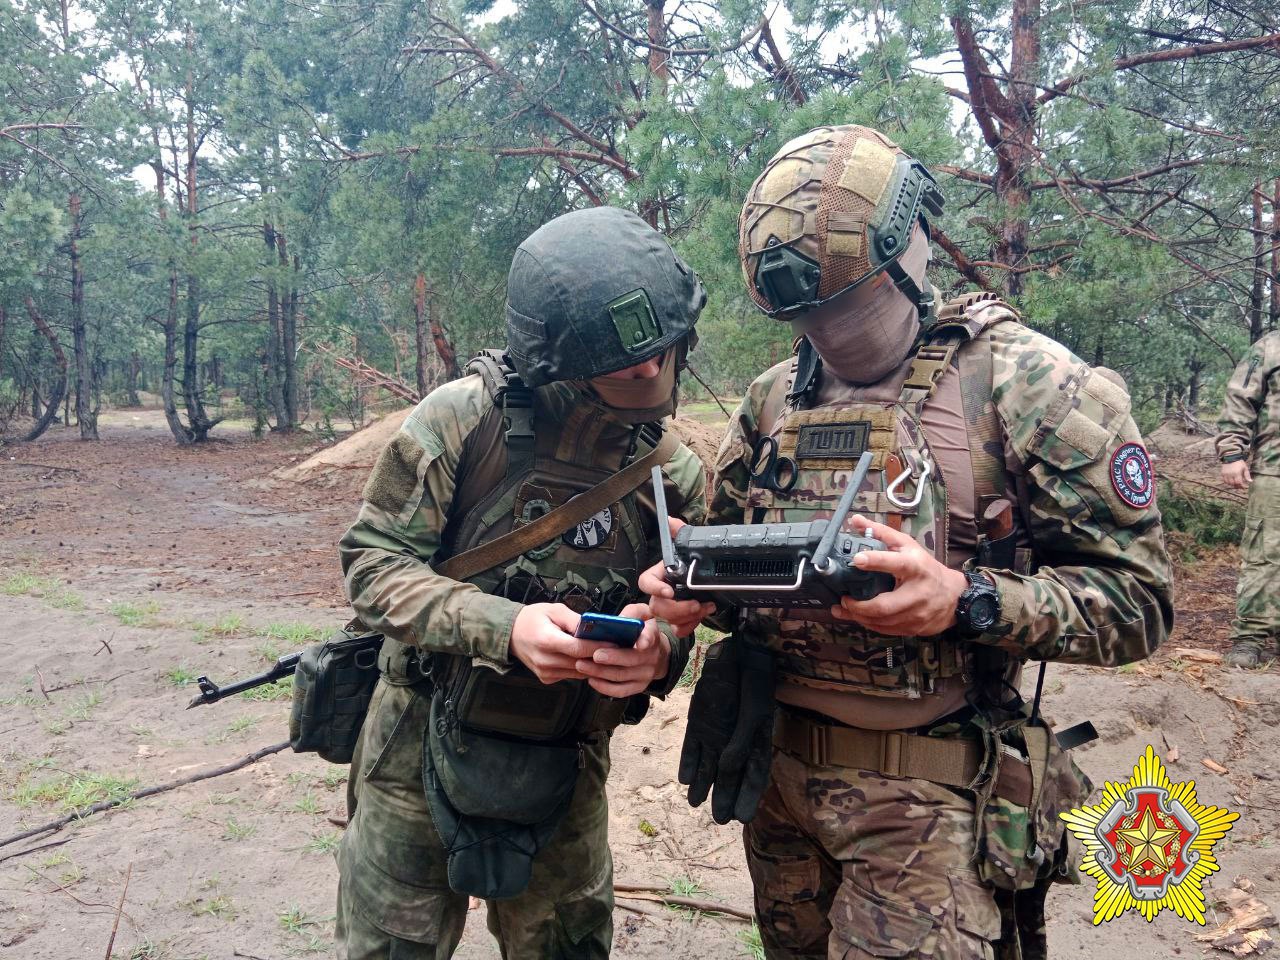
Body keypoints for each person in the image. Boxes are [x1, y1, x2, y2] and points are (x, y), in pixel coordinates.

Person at [642, 124, 1174, 960]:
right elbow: (734, 581)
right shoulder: (773, 401)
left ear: (913, 244)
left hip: (930, 807)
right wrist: (695, 587)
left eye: (846, 308)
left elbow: (1140, 604)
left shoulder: (1030, 384)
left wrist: (969, 600)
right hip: (777, 791)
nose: (829, 335)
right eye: (803, 317)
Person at [336, 206, 708, 959]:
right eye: (617, 355)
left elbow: (690, 608)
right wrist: (504, 628)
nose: (645, 369)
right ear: (554, 353)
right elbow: (373, 566)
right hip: (416, 741)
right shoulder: (462, 421)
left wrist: (660, 648)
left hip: (567, 759)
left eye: (657, 347)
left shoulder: (673, 470)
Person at [1217, 331, 1280, 668]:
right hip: (1275, 470)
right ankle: (1250, 639)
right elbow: (1240, 399)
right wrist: (1231, 453)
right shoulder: (1270, 347)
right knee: (1265, 554)